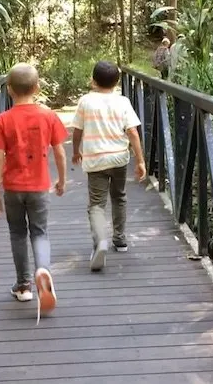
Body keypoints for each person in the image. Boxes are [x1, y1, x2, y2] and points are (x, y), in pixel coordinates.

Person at [0, 63, 68, 320]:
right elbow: (59, 150)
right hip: (38, 187)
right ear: (38, 87)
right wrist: (62, 180)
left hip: (13, 188)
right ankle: (42, 270)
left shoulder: (2, 120)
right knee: (40, 232)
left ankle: (23, 286)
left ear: (9, 90)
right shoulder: (48, 116)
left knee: (17, 233)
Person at [70, 61, 146, 272]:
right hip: (119, 159)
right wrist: (140, 161)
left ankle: (100, 241)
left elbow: (77, 130)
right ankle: (120, 239)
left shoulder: (85, 101)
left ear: (93, 81)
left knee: (96, 204)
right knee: (119, 196)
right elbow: (132, 133)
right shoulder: (123, 102)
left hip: (95, 160)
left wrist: (76, 151)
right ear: (117, 82)